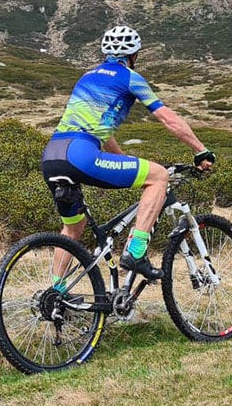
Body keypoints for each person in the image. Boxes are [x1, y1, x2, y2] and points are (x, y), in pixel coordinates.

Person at [41, 25, 215, 282]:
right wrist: (201, 150)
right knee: (157, 176)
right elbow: (168, 119)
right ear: (134, 55)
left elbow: (102, 131)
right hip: (81, 154)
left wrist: (121, 160)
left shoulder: (87, 77)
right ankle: (135, 252)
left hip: (53, 156)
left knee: (73, 228)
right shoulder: (130, 78)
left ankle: (56, 292)